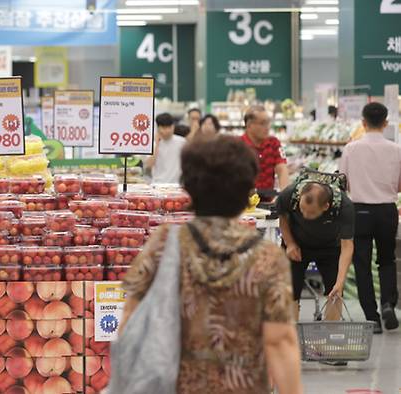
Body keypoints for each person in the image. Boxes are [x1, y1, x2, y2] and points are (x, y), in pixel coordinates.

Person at [121, 136, 301, 394]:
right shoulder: (268, 257)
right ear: (247, 189)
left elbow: (131, 320)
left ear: (189, 187)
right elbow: (280, 341)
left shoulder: (163, 244)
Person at [340, 102, 401, 332]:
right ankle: (388, 303)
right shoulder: (396, 149)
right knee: (386, 260)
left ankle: (371, 317)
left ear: (363, 123)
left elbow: (342, 181)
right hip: (387, 210)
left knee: (362, 263)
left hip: (359, 211)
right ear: (386, 123)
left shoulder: (351, 148)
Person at [277, 180, 354, 326]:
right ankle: (291, 336)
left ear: (326, 206)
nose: (305, 216)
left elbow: (347, 246)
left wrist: (340, 282)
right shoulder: (289, 195)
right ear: (299, 197)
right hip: (297, 245)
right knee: (290, 290)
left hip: (330, 247)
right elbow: (283, 219)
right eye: (302, 210)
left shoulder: (344, 206)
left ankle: (329, 338)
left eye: (311, 212)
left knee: (335, 292)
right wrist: (290, 243)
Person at [242, 106, 289, 196]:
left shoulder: (274, 143)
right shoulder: (238, 145)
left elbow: (282, 169)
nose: (267, 127)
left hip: (268, 200)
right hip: (243, 200)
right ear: (249, 125)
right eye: (263, 123)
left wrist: (284, 196)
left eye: (268, 123)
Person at [146, 113, 186, 184]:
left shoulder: (182, 142)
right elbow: (149, 165)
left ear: (173, 126)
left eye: (170, 127)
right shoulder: (153, 144)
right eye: (164, 128)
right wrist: (157, 144)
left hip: (176, 185)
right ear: (158, 128)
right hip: (158, 184)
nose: (168, 130)